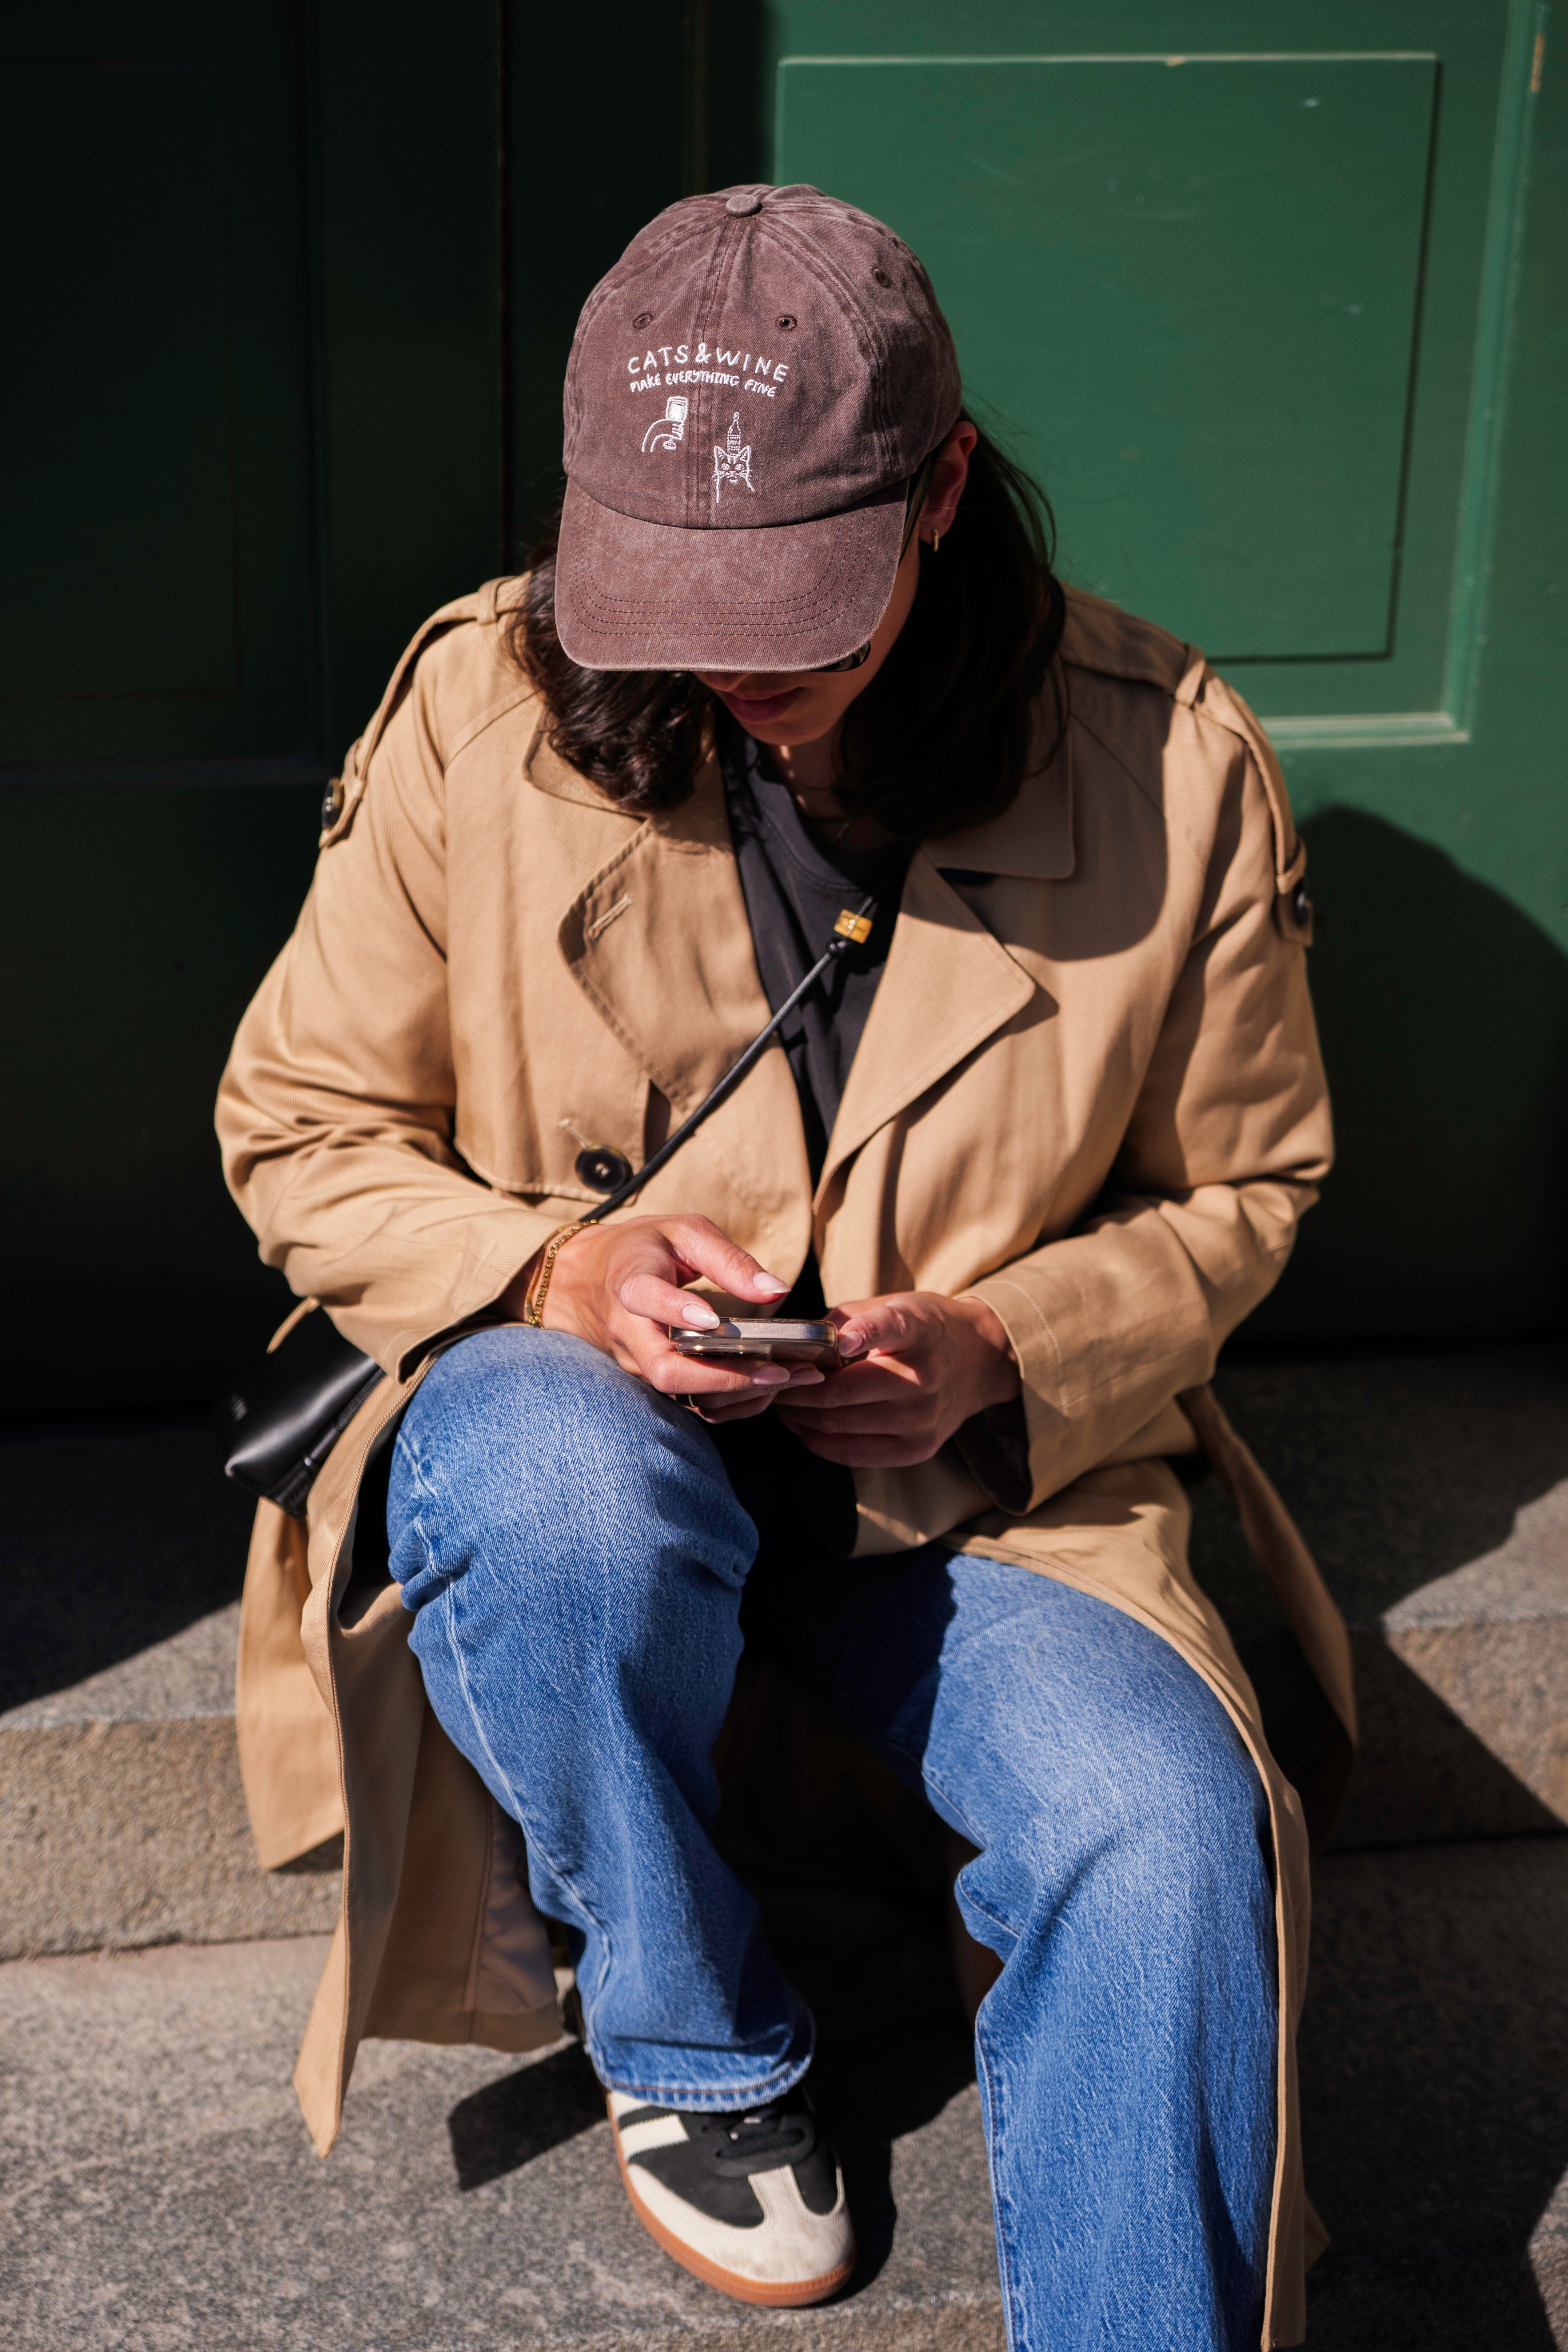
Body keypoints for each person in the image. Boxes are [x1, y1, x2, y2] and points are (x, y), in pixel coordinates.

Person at [219, 183, 1351, 2349]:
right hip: (580, 1472)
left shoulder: (1164, 754)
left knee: (1162, 1818)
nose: (727, 670)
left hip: (978, 1502)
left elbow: (1248, 1187)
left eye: (794, 609)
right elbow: (298, 1124)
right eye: (669, 594)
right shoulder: (479, 706)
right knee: (551, 1473)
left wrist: (1000, 1343)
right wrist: (555, 1276)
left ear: (941, 494)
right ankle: (689, 2027)